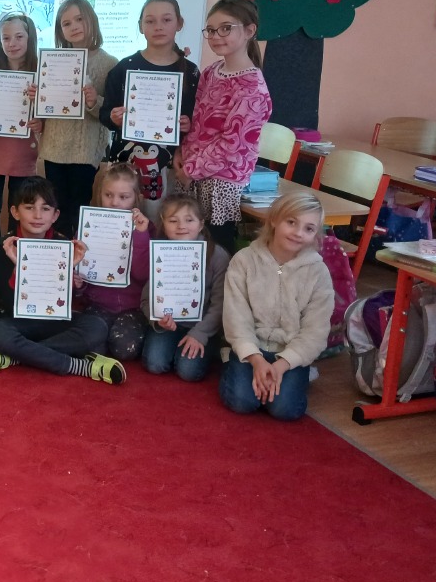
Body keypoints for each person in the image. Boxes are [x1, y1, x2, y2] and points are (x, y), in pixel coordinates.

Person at [0, 177, 123, 383]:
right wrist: (17, 265)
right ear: (15, 212)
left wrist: (73, 281)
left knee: (97, 327)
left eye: (46, 209)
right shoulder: (5, 245)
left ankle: (16, 357)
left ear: (55, 215)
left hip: (53, 321)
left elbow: (66, 300)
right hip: (16, 321)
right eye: (29, 207)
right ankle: (77, 365)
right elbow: (9, 301)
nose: (38, 215)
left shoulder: (64, 244)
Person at [219, 192, 333, 421]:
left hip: (291, 352)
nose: (298, 233)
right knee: (242, 401)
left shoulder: (318, 272)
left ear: (316, 234)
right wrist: (256, 359)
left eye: (309, 229)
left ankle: (297, 374)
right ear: (274, 220)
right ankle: (233, 362)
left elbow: (316, 330)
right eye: (291, 222)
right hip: (252, 348)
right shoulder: (244, 260)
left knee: (285, 410)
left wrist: (283, 364)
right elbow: (236, 318)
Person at [174, 0, 271, 251]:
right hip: (193, 173)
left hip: (220, 184)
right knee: (185, 248)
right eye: (211, 30)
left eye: (226, 28)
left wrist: (191, 170)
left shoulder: (253, 89)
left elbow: (232, 146)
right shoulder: (211, 71)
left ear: (249, 31)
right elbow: (197, 123)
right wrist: (182, 152)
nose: (216, 36)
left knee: (215, 252)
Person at [101, 0, 200, 220]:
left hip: (168, 165)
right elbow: (105, 114)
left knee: (161, 224)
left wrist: (189, 124)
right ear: (140, 26)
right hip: (125, 166)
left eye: (166, 20)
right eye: (150, 21)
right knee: (122, 224)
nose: (158, 26)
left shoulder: (191, 72)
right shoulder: (123, 68)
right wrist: (113, 117)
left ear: (179, 23)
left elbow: (198, 119)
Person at [38, 0, 118, 235]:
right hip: (54, 149)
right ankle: (58, 255)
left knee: (79, 209)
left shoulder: (109, 63)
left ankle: (77, 255)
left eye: (79, 19)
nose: (74, 26)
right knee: (56, 211)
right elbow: (46, 106)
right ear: (60, 31)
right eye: (66, 23)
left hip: (85, 151)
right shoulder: (52, 61)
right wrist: (37, 96)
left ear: (91, 20)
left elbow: (111, 112)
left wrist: (94, 101)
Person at [0, 13, 44, 250]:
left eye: (19, 37)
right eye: (6, 38)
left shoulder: (40, 77)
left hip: (24, 155)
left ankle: (15, 254)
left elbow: (47, 114)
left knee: (19, 209)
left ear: (30, 39)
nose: (12, 43)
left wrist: (40, 123)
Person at [141, 197, 230, 382]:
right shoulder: (159, 252)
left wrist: (200, 334)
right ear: (164, 224)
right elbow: (146, 298)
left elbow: (220, 305)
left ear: (201, 224)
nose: (181, 226)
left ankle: (209, 348)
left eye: (189, 220)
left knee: (188, 371)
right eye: (173, 220)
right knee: (155, 364)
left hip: (202, 327)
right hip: (168, 325)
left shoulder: (217, 256)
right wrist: (157, 320)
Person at [79, 164, 154, 362]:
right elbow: (80, 278)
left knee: (124, 349)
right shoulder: (87, 225)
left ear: (136, 198)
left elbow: (142, 275)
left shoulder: (146, 228)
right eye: (108, 195)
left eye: (123, 197)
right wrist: (77, 282)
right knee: (90, 345)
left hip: (133, 308)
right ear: (100, 195)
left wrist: (140, 235)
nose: (114, 202)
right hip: (97, 305)